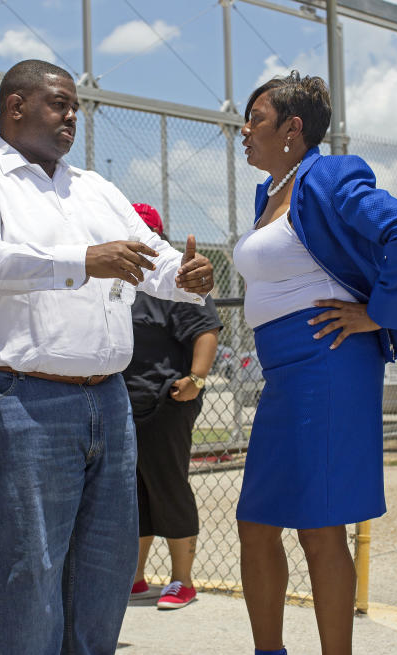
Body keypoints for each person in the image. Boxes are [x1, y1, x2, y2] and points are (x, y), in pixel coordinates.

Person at [0, 59, 214, 655]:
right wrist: (81, 261)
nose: (71, 117)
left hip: (105, 398)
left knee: (105, 567)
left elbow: (151, 257)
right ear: (15, 108)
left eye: (75, 107)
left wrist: (184, 275)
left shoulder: (93, 188)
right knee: (28, 565)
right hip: (15, 397)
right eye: (59, 104)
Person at [233, 71, 397, 655]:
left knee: (319, 527)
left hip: (326, 365)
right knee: (257, 522)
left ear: (293, 129)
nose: (244, 131)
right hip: (282, 373)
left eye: (256, 119)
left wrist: (379, 313)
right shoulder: (269, 190)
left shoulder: (329, 176)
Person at [123, 203, 222, 610]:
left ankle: (182, 581)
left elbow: (207, 330)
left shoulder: (174, 279)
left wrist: (196, 380)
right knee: (133, 493)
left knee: (167, 487)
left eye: (146, 236)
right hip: (123, 404)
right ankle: (134, 577)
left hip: (167, 399)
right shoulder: (120, 283)